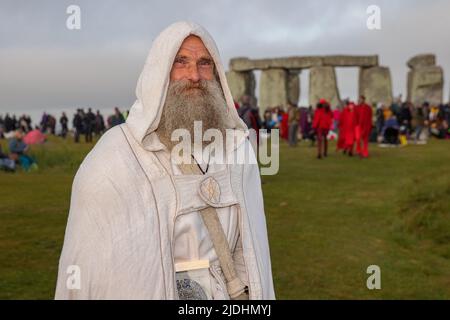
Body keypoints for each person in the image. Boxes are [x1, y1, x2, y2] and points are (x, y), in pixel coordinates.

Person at [55, 21, 275, 300]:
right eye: (180, 62)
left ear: (217, 74)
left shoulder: (237, 149)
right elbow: (96, 270)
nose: (194, 74)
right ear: (160, 72)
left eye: (204, 63)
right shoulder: (115, 158)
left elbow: (251, 250)